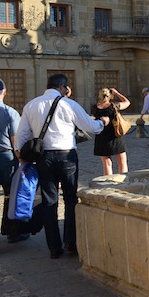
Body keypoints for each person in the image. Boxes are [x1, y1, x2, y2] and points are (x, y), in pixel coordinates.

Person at [14, 74, 109, 259]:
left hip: (43, 157)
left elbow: (22, 134)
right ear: (63, 87)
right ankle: (70, 242)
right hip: (66, 156)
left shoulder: (31, 105)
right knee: (71, 198)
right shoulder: (68, 104)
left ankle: (54, 248)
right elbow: (90, 126)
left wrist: (20, 156)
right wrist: (102, 123)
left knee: (49, 201)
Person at [0, 78, 24, 255]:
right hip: (6, 158)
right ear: (4, 92)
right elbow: (15, 142)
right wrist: (22, 162)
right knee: (11, 196)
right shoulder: (10, 112)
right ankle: (12, 232)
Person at [91, 88, 131, 175]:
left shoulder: (95, 108)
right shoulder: (114, 106)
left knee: (107, 164)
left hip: (101, 136)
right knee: (122, 162)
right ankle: (123, 181)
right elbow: (127, 102)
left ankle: (107, 183)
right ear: (110, 96)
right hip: (115, 136)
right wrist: (117, 93)